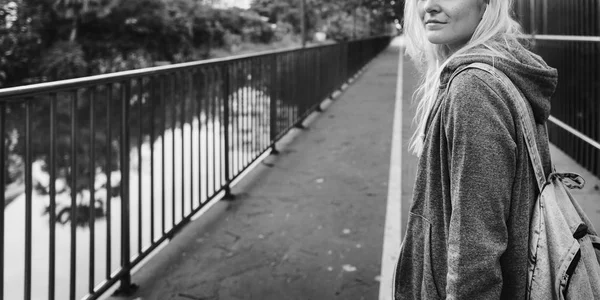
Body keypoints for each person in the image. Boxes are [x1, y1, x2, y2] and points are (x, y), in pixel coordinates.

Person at [393, 0, 558, 299]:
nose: (428, 6)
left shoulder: (474, 88)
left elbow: (475, 253)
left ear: (487, 5)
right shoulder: (502, 68)